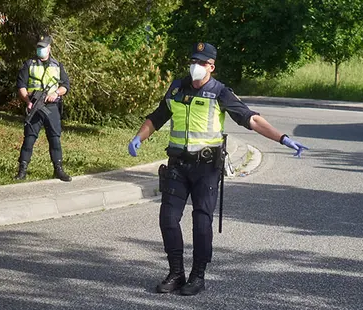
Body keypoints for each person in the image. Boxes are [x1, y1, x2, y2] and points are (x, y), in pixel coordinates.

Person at [128, 42, 309, 296]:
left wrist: (282, 138)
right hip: (178, 165)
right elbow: (157, 116)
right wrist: (139, 136)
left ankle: (197, 276)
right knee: (168, 219)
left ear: (211, 66)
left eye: (202, 63)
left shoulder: (220, 92)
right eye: (193, 61)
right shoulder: (177, 87)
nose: (196, 67)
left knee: (201, 221)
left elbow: (251, 119)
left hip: (206, 168)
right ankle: (176, 273)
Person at [14, 35, 72, 182]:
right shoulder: (29, 64)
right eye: (38, 47)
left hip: (51, 106)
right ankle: (22, 169)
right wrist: (27, 101)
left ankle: (58, 169)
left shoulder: (57, 65)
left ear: (49, 48)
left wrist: (56, 93)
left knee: (54, 139)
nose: (40, 50)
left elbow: (65, 85)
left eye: (43, 47)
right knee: (29, 139)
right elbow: (21, 85)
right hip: (34, 105)